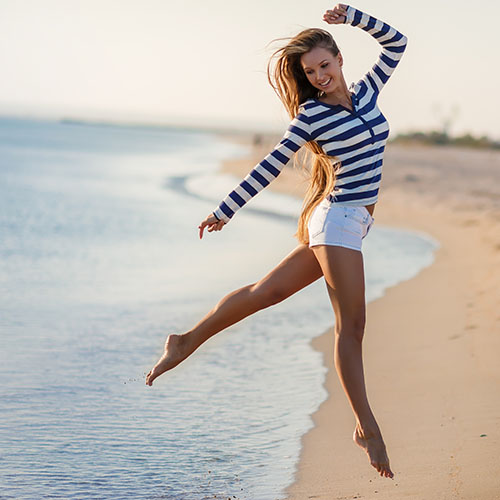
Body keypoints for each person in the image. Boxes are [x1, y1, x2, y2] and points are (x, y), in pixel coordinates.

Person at [146, 3, 407, 479]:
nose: (321, 75)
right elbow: (270, 165)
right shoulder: (310, 115)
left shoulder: (368, 91)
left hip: (352, 223)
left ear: (339, 59)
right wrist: (224, 210)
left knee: (267, 292)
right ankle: (366, 426)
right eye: (311, 72)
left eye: (325, 65)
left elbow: (398, 42)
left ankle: (184, 341)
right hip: (339, 222)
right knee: (351, 326)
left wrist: (353, 16)